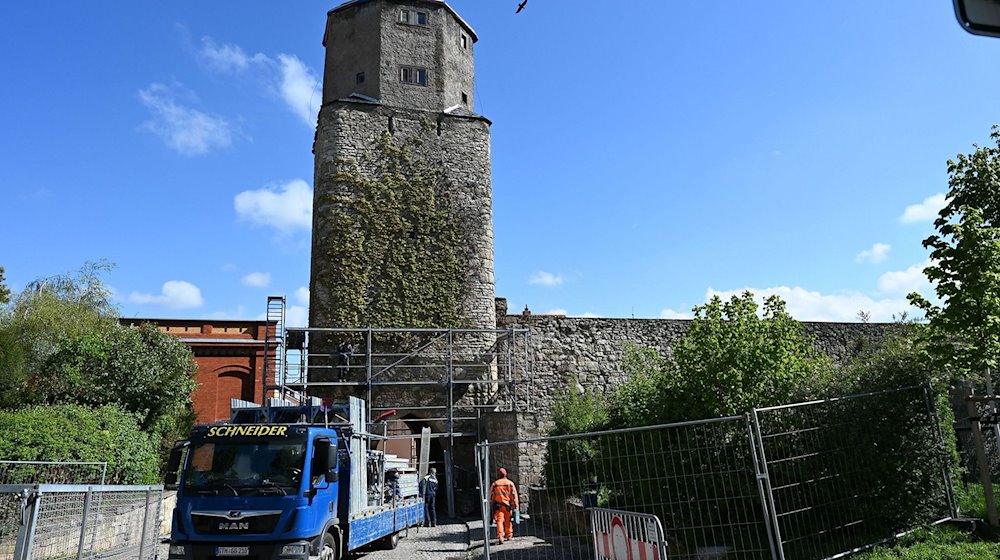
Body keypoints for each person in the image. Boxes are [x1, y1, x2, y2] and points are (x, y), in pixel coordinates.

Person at [489, 467, 519, 544]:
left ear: (498, 475)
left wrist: (490, 506)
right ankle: (509, 535)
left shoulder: (495, 484)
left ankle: (501, 537)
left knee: (499, 521)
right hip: (508, 506)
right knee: (508, 521)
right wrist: (516, 506)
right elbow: (514, 496)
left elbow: (491, 496)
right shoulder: (510, 483)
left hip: (498, 506)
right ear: (505, 474)